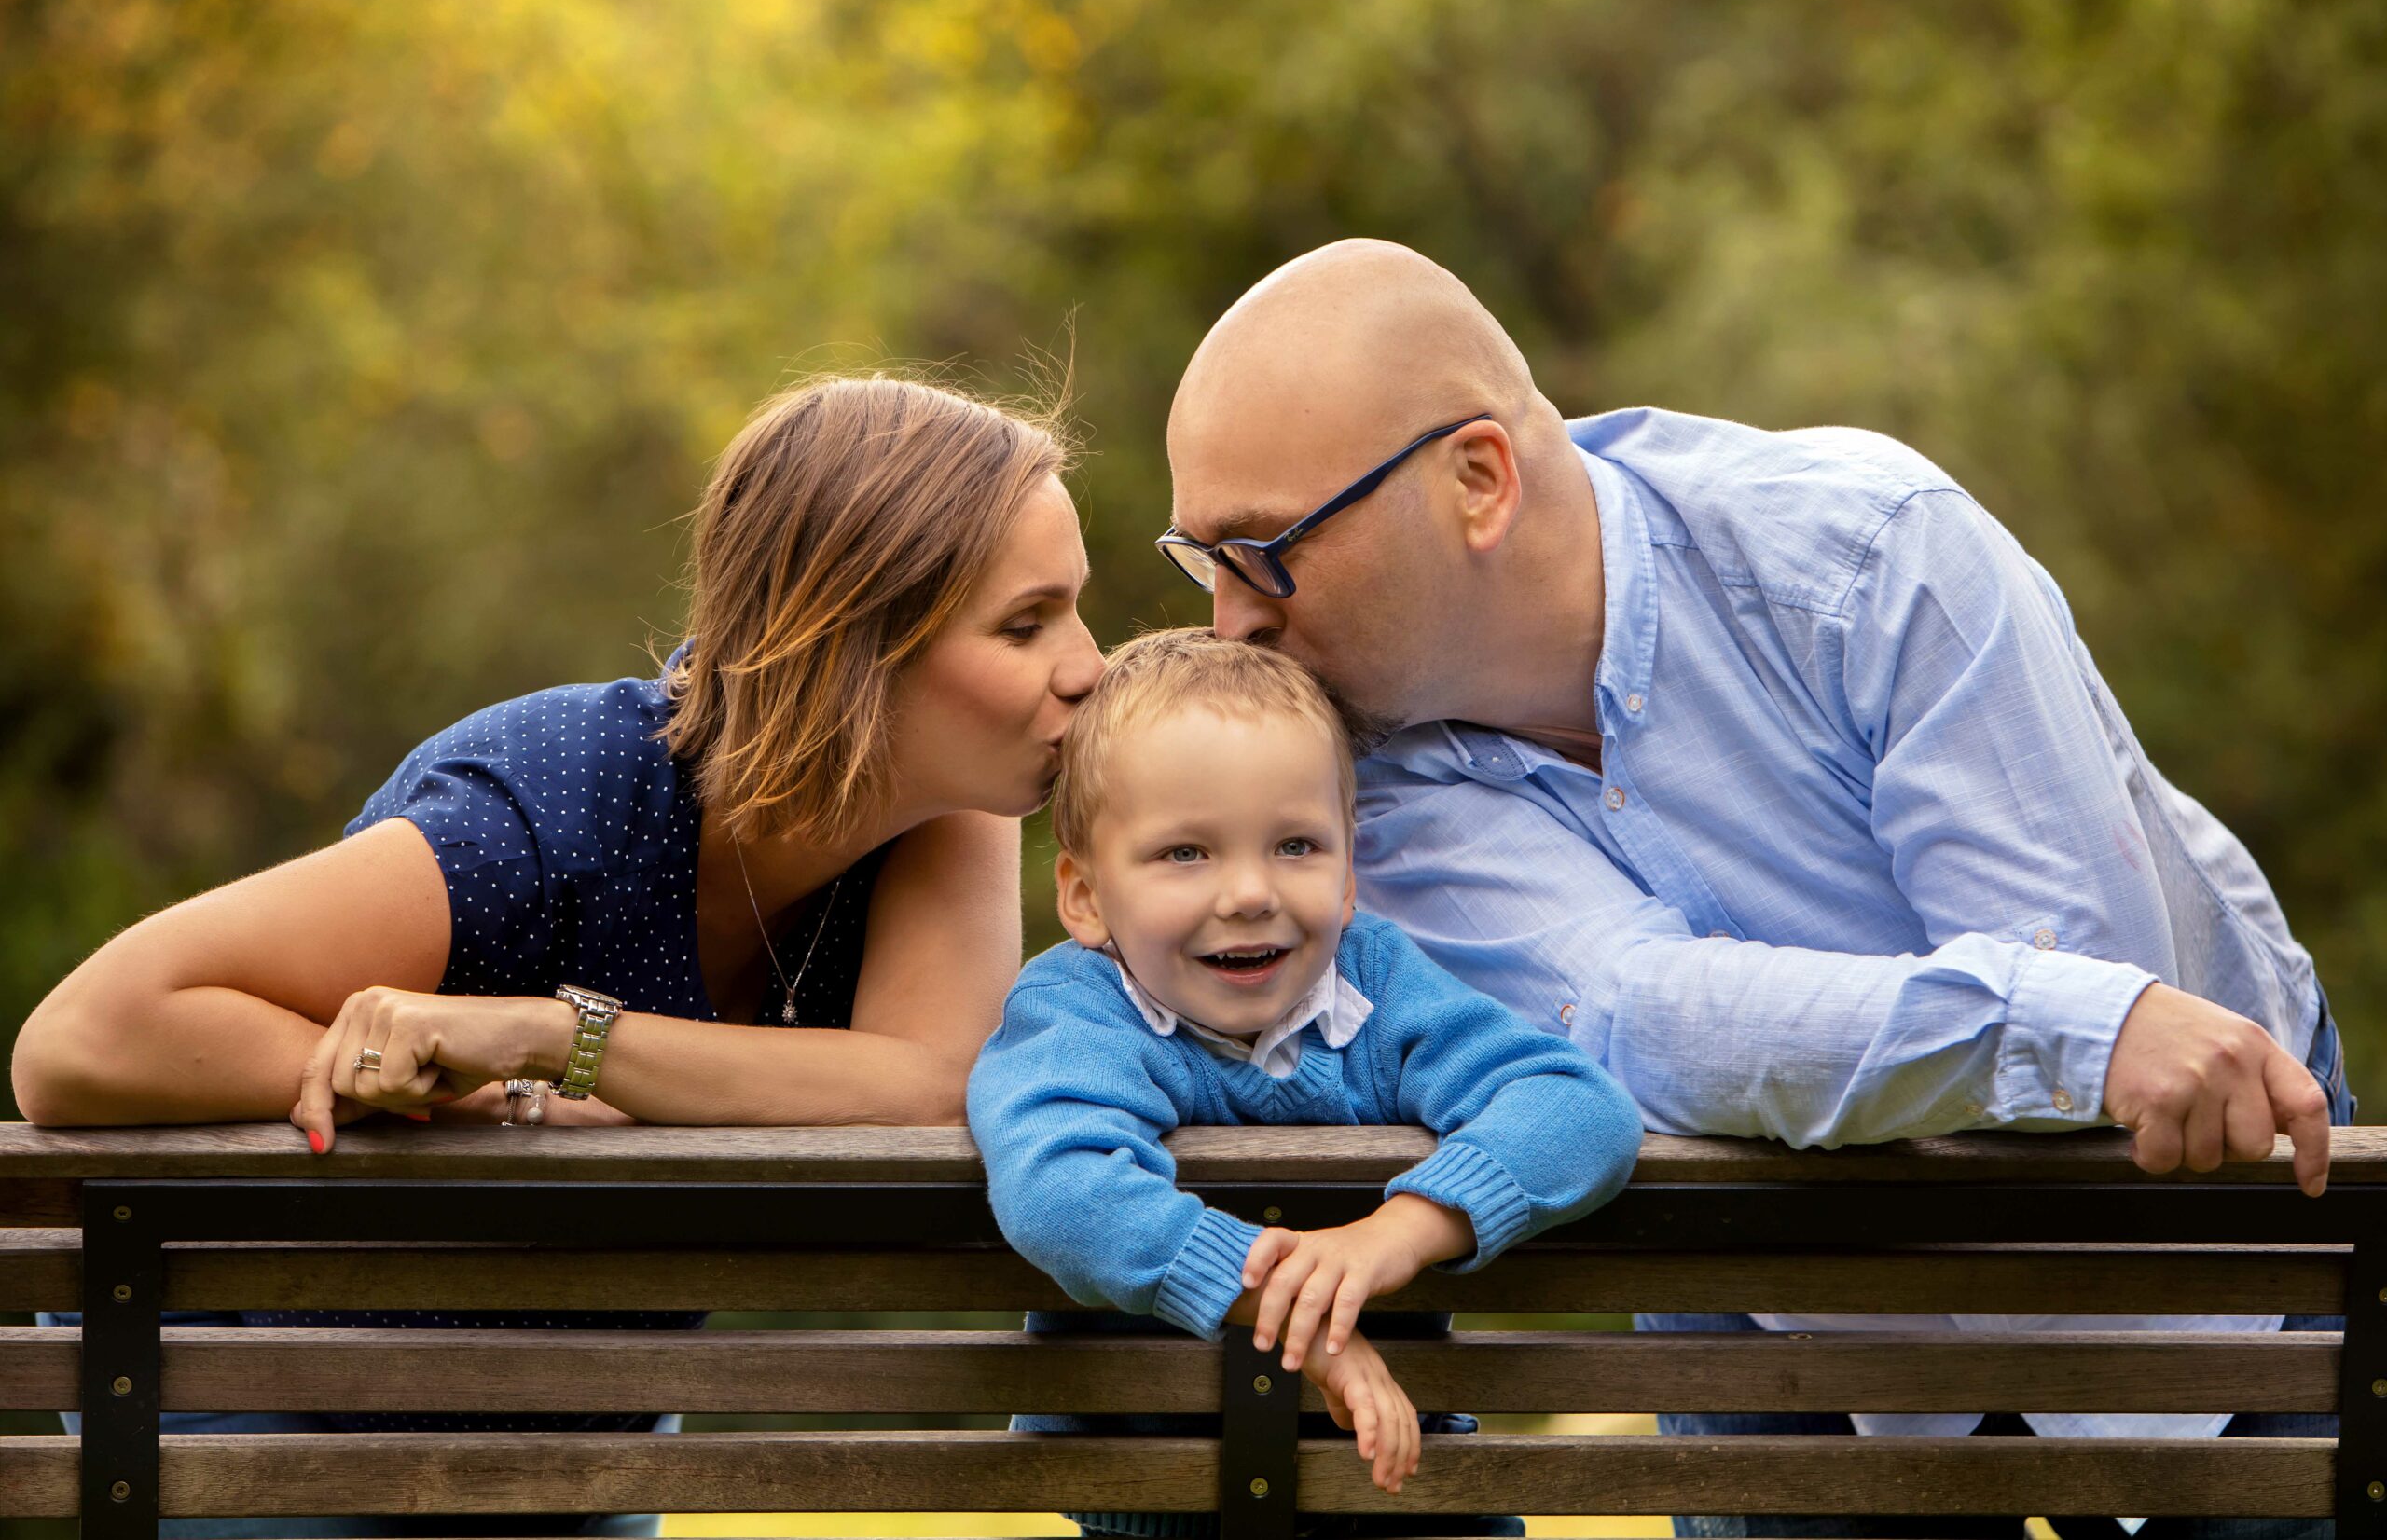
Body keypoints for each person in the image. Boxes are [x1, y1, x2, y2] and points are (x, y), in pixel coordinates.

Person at [1158, 240, 2353, 1540]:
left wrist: (2080, 1020)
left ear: (1479, 480)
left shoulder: (1866, 550)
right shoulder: (1351, 790)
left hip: (2188, 1236)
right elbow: (1647, 1023)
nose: (1233, 620)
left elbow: (2087, 975)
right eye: (1200, 558)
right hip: (1788, 1297)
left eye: (1263, 549)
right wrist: (2066, 1024)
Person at [10, 374, 1104, 1539]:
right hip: (253, 1414)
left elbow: (930, 1081)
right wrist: (455, 1087)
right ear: (851, 643)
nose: (1089, 666)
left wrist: (555, 1040)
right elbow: (81, 1040)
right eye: (1026, 624)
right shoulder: (543, 809)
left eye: (1078, 610)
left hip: (572, 1439)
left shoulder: (952, 805)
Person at [969, 627, 1642, 1530]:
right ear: (1085, 897)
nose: (1249, 892)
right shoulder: (1077, 1012)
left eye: (1294, 846)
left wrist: (1394, 1235)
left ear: (1350, 875)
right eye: (1185, 853)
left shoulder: (1381, 988)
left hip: (1406, 1496)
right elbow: (1063, 1189)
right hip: (1165, 1507)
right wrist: (1307, 1319)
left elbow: (1576, 1108)